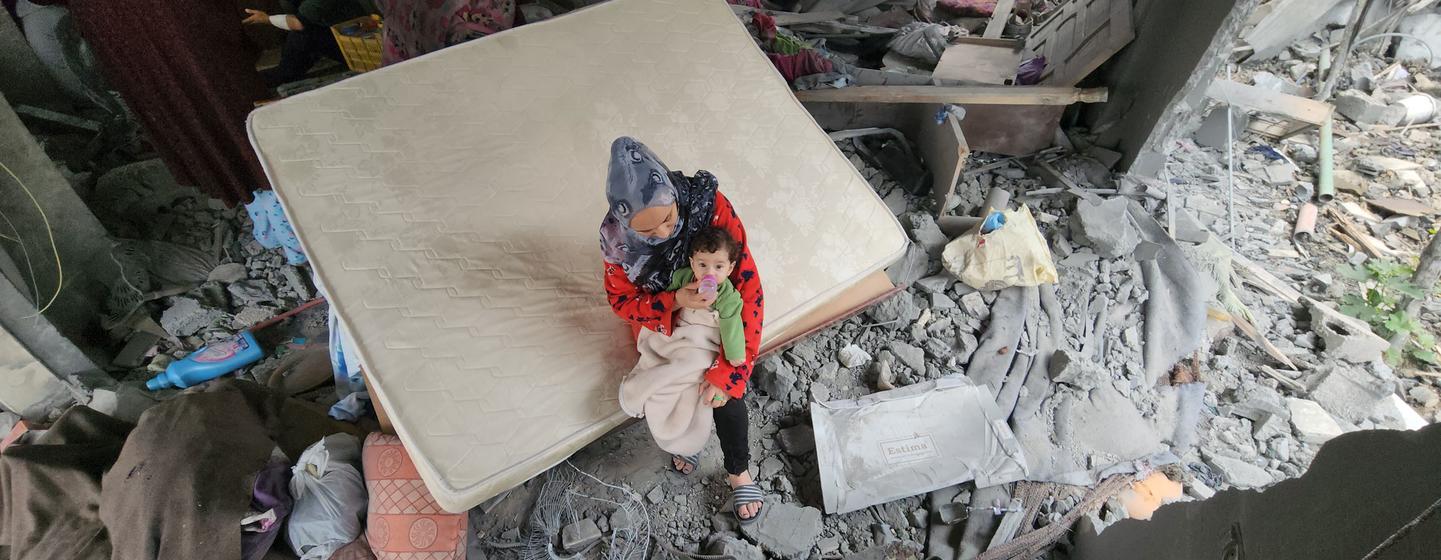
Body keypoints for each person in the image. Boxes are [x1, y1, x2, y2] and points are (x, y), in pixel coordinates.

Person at [600, 136, 766, 524]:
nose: (662, 234)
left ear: (675, 196)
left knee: (721, 386)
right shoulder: (617, 243)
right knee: (671, 379)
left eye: (669, 220)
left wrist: (732, 372)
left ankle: (738, 469)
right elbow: (622, 303)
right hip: (665, 315)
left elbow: (748, 289)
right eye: (648, 232)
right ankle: (685, 438)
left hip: (719, 317)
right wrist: (674, 301)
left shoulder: (709, 208)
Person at [243, 0, 367, 88]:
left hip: (361, 42)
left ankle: (281, 74)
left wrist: (266, 19)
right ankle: (282, 72)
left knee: (303, 36)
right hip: (338, 33)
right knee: (301, 36)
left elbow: (299, 23)